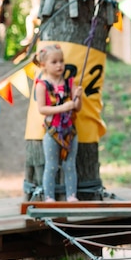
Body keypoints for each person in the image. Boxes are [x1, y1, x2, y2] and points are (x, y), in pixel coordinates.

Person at [34, 44, 83, 202]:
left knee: (70, 164)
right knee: (52, 165)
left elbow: (77, 108)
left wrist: (78, 97)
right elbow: (42, 109)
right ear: (44, 65)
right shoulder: (42, 86)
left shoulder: (70, 83)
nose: (59, 65)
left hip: (70, 130)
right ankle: (49, 196)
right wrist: (62, 107)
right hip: (52, 131)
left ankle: (71, 195)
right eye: (54, 62)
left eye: (61, 61)